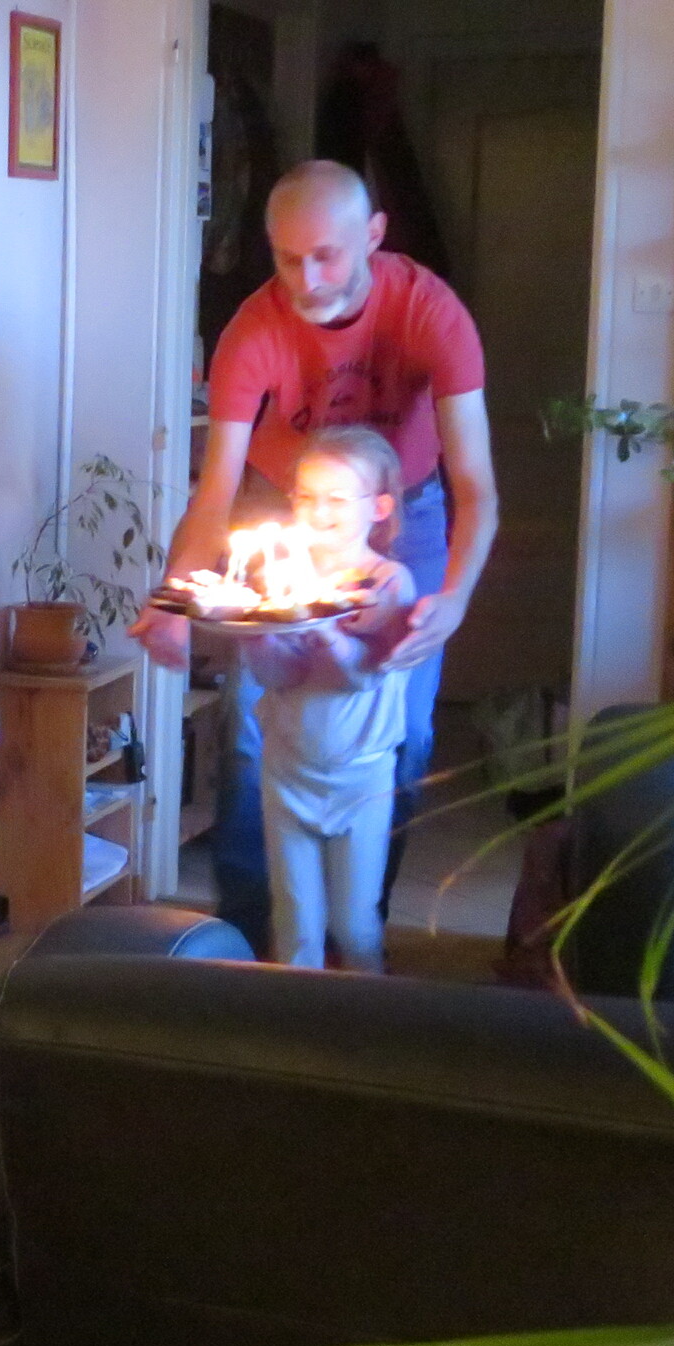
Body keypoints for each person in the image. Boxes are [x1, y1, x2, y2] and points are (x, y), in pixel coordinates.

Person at [134, 159, 497, 949]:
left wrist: (455, 599)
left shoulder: (431, 313)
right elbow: (215, 493)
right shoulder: (254, 330)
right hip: (285, 501)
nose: (307, 279)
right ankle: (250, 939)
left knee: (406, 729)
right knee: (252, 728)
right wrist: (173, 600)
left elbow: (477, 487)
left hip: (407, 504)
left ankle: (358, 926)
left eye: (327, 256)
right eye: (288, 258)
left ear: (374, 235)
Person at [243, 429, 420, 972]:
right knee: (295, 922)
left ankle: (368, 1014)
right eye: (307, 497)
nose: (320, 512)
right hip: (288, 769)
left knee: (354, 923)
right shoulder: (280, 579)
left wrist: (325, 630)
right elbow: (278, 676)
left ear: (379, 508)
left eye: (338, 499)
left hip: (362, 777)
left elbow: (360, 677)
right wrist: (256, 630)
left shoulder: (387, 584)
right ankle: (295, 1021)